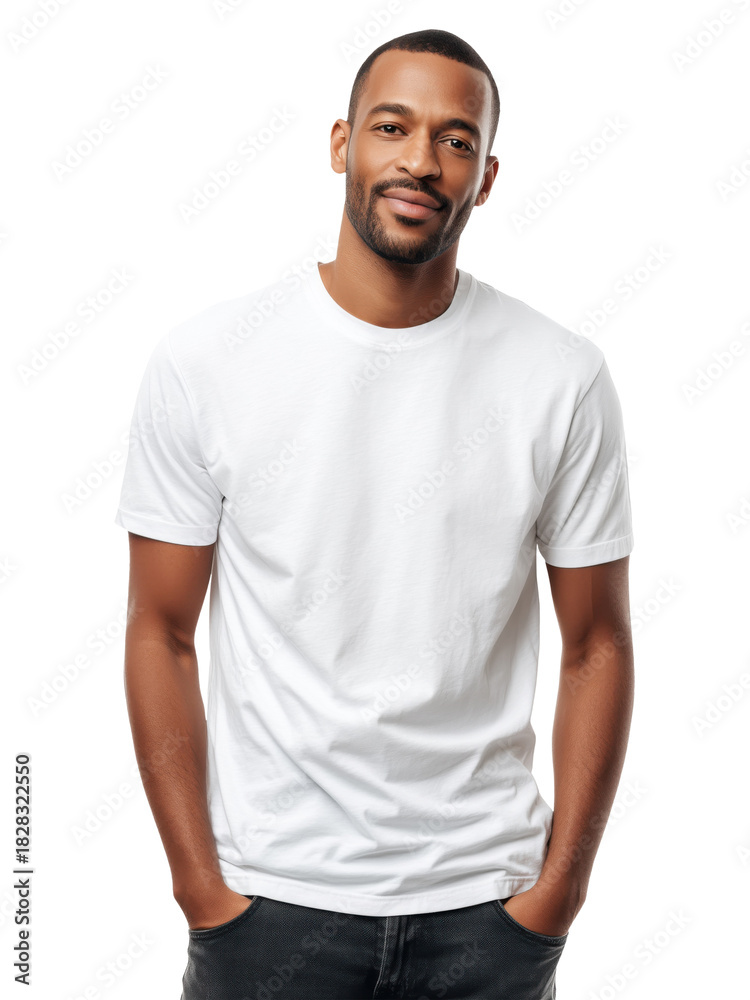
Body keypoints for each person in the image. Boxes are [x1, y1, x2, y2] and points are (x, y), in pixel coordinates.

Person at [115, 27, 634, 1000]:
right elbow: (161, 628)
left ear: (484, 177)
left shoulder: (558, 377)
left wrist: (558, 893)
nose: (420, 160)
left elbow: (598, 641)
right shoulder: (209, 363)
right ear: (341, 143)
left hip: (486, 909)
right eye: (393, 127)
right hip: (270, 907)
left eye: (454, 139)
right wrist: (200, 886)